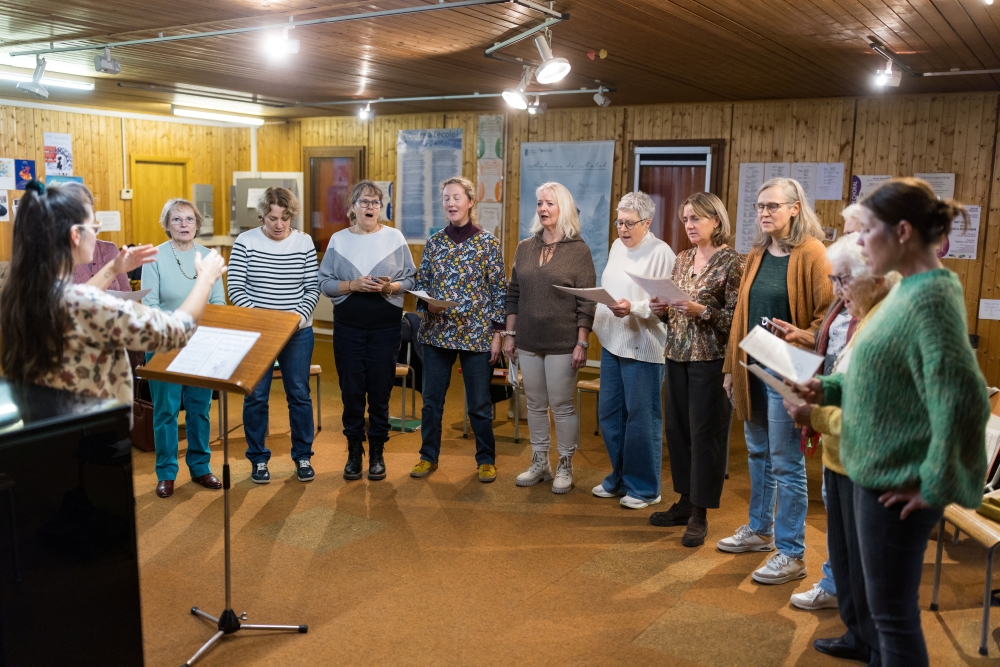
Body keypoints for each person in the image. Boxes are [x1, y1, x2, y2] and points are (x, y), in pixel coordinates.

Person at [794, 178, 989, 667]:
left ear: (902, 232)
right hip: (875, 472)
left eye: (867, 233)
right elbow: (881, 374)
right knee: (884, 617)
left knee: (893, 622)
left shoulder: (930, 298)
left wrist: (935, 484)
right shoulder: (909, 293)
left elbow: (964, 401)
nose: (859, 244)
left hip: (898, 483)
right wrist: (829, 389)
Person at [0, 181, 225, 424]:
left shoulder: (26, 293)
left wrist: (113, 268)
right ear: (76, 235)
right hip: (88, 436)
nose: (96, 233)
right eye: (93, 226)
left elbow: (77, 297)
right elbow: (175, 332)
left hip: (42, 430)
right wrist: (205, 279)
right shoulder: (86, 304)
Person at [784, 232, 897, 665]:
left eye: (845, 280)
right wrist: (820, 387)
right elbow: (847, 382)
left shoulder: (885, 327)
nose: (837, 291)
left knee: (872, 570)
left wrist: (813, 414)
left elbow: (872, 412)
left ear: (876, 278)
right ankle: (858, 634)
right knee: (847, 559)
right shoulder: (864, 316)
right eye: (836, 280)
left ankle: (878, 648)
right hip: (840, 458)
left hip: (866, 461)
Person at [718, 177, 833, 585]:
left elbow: (828, 318)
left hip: (789, 370)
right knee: (757, 454)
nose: (764, 213)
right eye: (760, 207)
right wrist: (731, 367)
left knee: (786, 463)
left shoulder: (813, 253)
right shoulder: (756, 253)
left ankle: (791, 552)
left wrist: (800, 334)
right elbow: (740, 316)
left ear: (795, 209)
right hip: (754, 365)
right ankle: (760, 531)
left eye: (772, 206)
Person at [648, 193, 743, 546]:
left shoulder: (733, 262)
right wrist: (660, 308)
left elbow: (736, 320)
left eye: (696, 219)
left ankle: (700, 512)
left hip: (711, 360)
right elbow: (674, 309)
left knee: (706, 437)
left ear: (716, 221)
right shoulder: (682, 258)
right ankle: (685, 500)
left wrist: (701, 311)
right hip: (676, 355)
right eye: (685, 219)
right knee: (678, 432)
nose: (688, 225)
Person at [789, 201, 865, 610]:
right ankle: (840, 592)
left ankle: (848, 598)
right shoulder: (849, 298)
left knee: (862, 535)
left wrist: (816, 408)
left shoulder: (882, 309)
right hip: (837, 429)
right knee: (839, 522)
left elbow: (870, 404)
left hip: (862, 444)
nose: (847, 238)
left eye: (856, 231)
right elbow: (836, 352)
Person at [410, 176, 507, 483]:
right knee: (431, 402)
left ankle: (486, 459)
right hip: (438, 334)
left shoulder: (488, 243)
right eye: (446, 199)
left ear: (470, 202)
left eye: (456, 198)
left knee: (479, 404)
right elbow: (421, 284)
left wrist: (497, 334)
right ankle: (428, 456)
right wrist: (427, 305)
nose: (450, 203)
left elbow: (499, 294)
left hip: (476, 335)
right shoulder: (435, 242)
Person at [318, 180, 416, 481]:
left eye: (375, 202)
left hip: (386, 328)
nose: (370, 207)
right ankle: (353, 450)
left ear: (381, 208)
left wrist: (391, 286)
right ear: (353, 207)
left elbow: (411, 279)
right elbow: (324, 284)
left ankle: (376, 451)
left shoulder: (395, 238)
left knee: (380, 391)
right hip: (348, 328)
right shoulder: (338, 240)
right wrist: (352, 285)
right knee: (352, 392)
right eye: (364, 201)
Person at [504, 182, 596, 494]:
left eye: (550, 204)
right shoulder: (525, 247)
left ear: (564, 209)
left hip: (562, 342)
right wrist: (509, 335)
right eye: (540, 203)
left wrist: (582, 341)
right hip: (528, 340)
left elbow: (586, 301)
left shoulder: (578, 250)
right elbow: (514, 293)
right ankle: (540, 461)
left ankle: (565, 464)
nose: (543, 209)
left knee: (561, 405)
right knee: (535, 404)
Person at [228, 187, 319, 484]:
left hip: (297, 332)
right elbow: (236, 289)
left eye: (285, 218)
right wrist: (265, 320)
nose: (279, 225)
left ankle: (303, 455)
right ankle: (258, 459)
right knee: (256, 397)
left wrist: (294, 319)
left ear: (292, 216)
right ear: (262, 215)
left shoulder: (304, 242)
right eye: (272, 218)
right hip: (258, 331)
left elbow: (311, 288)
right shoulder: (245, 241)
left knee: (299, 394)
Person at [591, 191, 675, 509]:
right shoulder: (617, 247)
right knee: (610, 415)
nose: (623, 230)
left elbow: (665, 302)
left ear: (647, 222)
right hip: (613, 341)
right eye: (619, 223)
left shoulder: (661, 253)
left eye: (630, 224)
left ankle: (645, 488)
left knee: (642, 419)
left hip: (644, 346)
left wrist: (634, 307)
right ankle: (621, 477)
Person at [142, 198, 227, 498]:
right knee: (165, 411)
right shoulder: (154, 256)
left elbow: (217, 303)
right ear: (167, 225)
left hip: (201, 344)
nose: (183, 225)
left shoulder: (209, 257)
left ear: (197, 224)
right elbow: (149, 305)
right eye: (176, 220)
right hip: (165, 343)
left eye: (189, 219)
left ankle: (200, 467)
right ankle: (166, 472)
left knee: (199, 410)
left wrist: (201, 333)